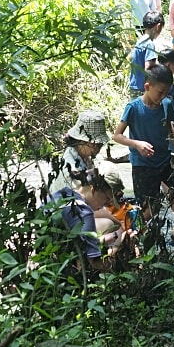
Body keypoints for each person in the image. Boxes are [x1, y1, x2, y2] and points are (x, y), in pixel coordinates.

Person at [113, 65, 174, 243]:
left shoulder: (167, 104)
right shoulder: (133, 108)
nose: (163, 96)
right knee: (150, 208)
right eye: (160, 92)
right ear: (147, 86)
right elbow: (116, 135)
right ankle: (129, 237)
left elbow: (171, 131)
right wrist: (136, 144)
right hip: (143, 166)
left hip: (165, 162)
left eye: (166, 92)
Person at [46, 111, 135, 269]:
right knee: (110, 224)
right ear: (83, 142)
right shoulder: (70, 168)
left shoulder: (82, 158)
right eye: (96, 145)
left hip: (72, 215)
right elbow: (85, 207)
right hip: (67, 222)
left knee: (115, 223)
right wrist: (119, 231)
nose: (99, 148)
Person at [128, 11, 164, 99]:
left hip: (134, 85)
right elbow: (148, 68)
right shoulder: (149, 44)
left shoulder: (140, 41)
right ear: (158, 26)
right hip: (142, 88)